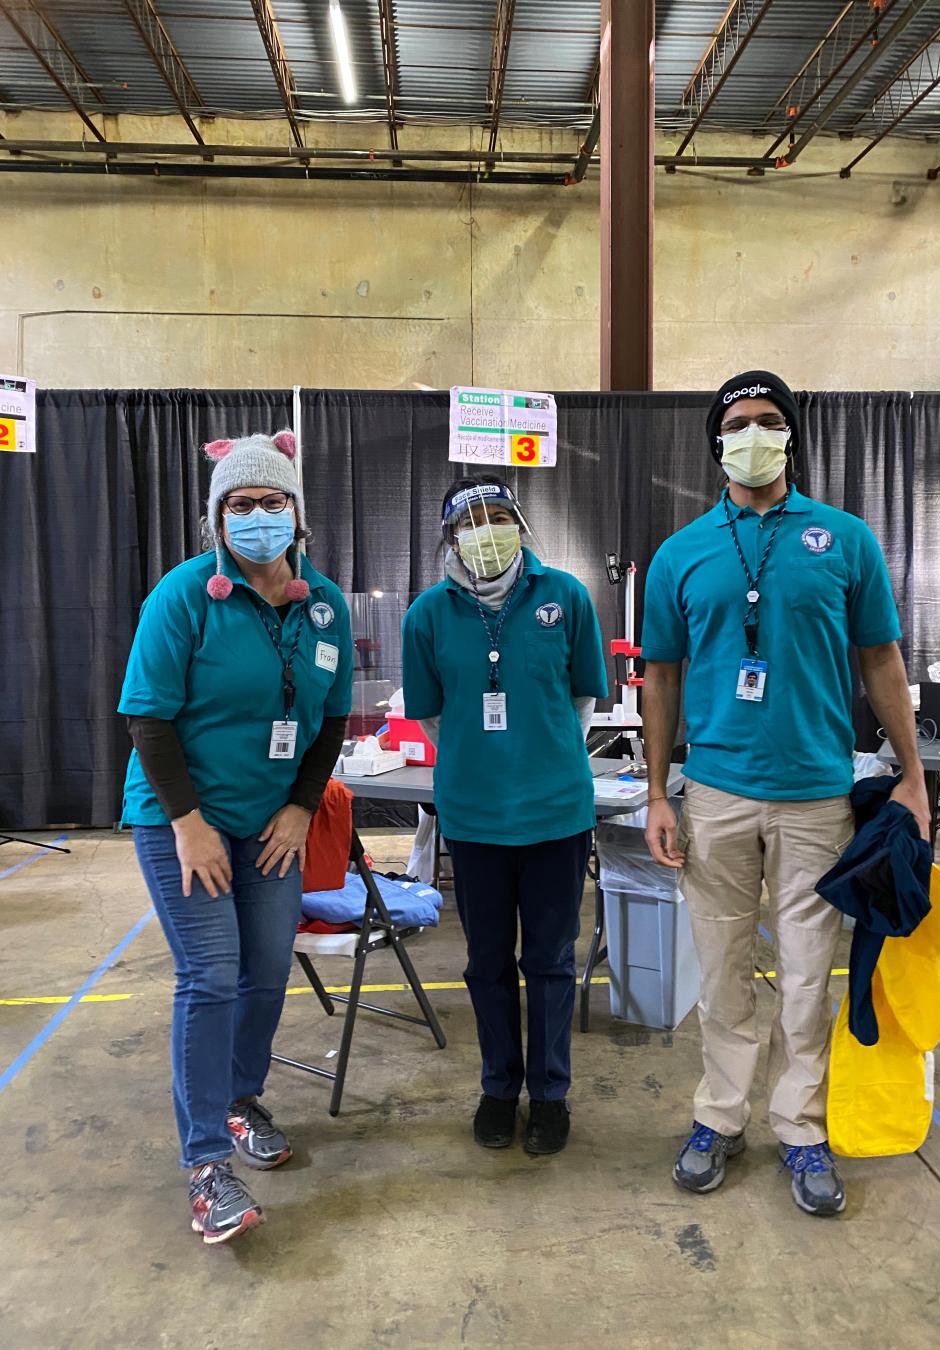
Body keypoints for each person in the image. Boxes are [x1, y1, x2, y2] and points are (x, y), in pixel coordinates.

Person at [641, 370, 930, 1217]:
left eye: (769, 421)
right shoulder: (681, 553)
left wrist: (911, 775)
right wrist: (659, 793)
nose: (754, 434)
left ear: (792, 436)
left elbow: (881, 660)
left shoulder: (844, 540)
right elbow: (661, 677)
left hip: (816, 796)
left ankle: (801, 1128)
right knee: (724, 972)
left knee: (810, 976)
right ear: (716, 443)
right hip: (718, 796)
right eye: (738, 423)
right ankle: (719, 1117)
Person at [119, 429, 353, 1244]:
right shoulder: (184, 596)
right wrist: (188, 824)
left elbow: (326, 725)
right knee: (212, 976)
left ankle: (239, 1095)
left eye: (272, 502)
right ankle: (207, 1166)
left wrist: (299, 807)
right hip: (182, 819)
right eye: (240, 505)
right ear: (218, 519)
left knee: (263, 972)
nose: (258, 516)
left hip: (270, 823)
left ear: (297, 514)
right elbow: (147, 717)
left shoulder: (324, 604)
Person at [402, 476, 607, 1156]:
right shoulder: (428, 615)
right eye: (469, 521)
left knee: (549, 961)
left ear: (519, 523)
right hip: (474, 816)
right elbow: (433, 716)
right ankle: (498, 1087)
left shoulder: (567, 598)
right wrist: (482, 760)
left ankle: (551, 1094)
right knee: (486, 962)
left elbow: (583, 700)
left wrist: (540, 757)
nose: (485, 531)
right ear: (450, 537)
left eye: (497, 516)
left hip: (555, 813)